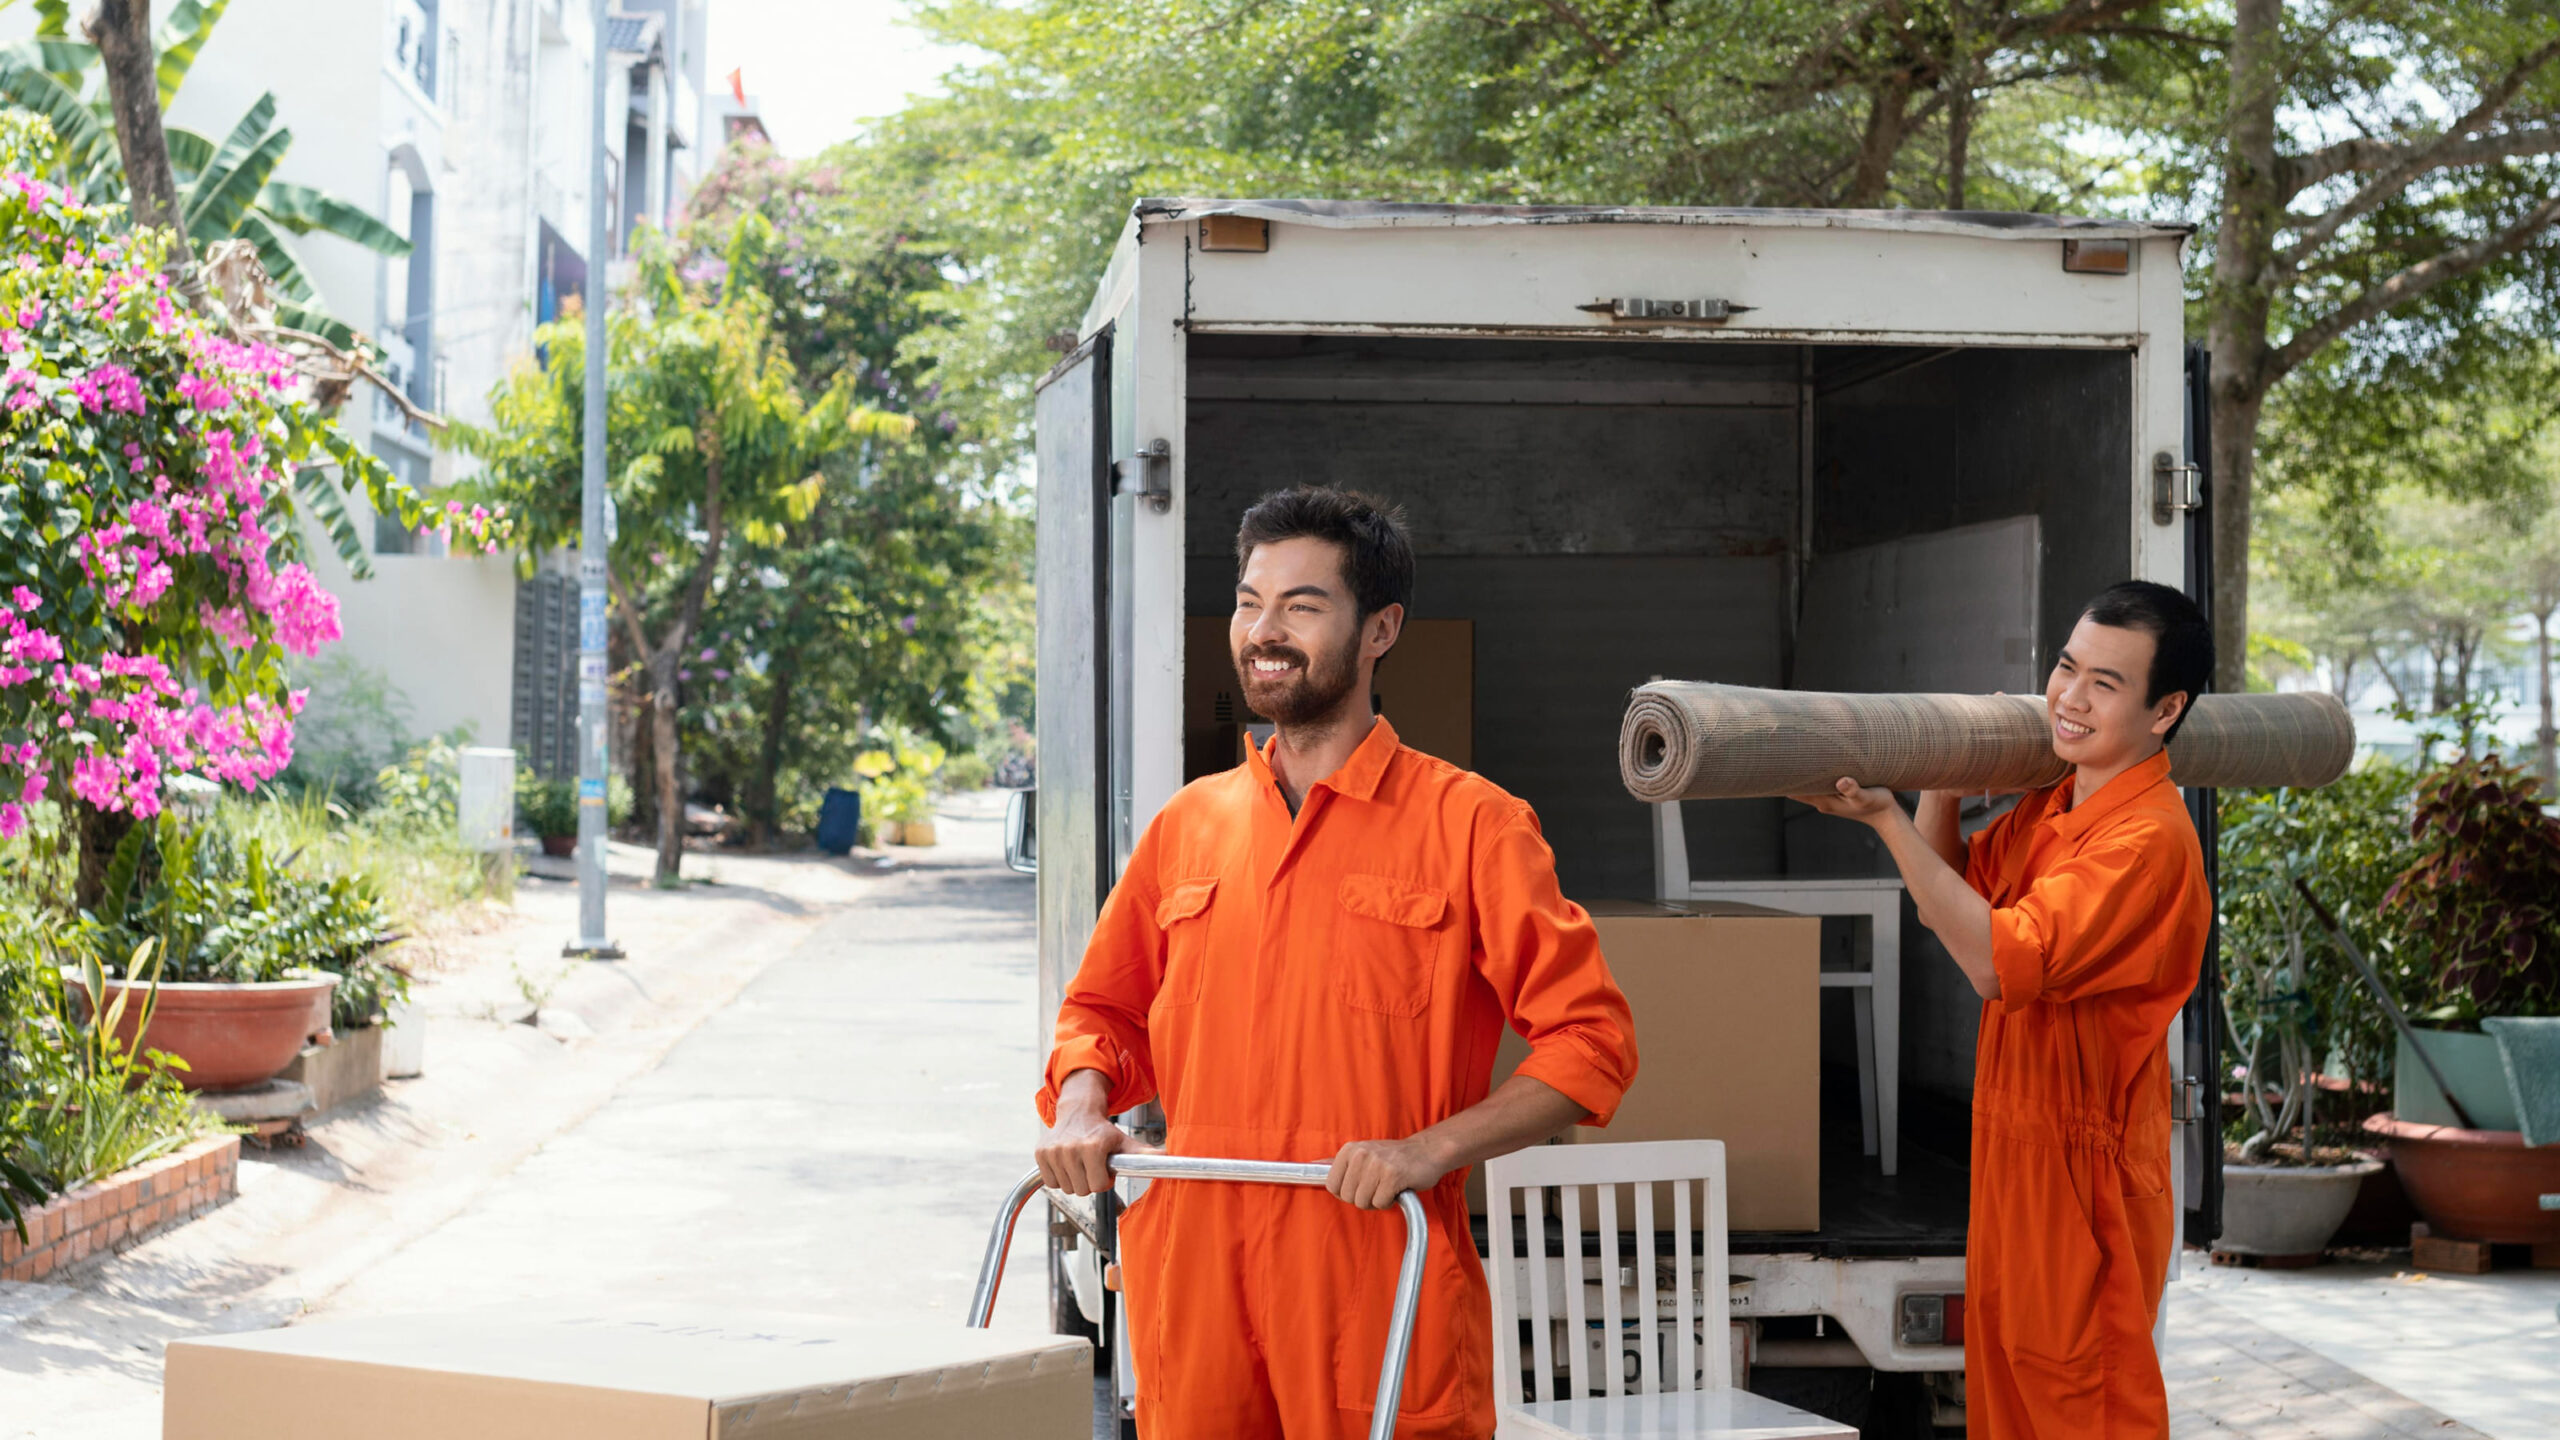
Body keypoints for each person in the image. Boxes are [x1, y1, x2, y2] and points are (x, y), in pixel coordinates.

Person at [1035, 485, 1638, 1440]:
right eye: (1249, 603)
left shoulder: (1473, 826)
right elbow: (1100, 1012)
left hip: (1372, 1272)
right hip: (1197, 1282)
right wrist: (1079, 1105)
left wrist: (1426, 1151)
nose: (1263, 632)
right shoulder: (1189, 826)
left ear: (1380, 630)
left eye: (1302, 606)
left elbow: (1592, 1045)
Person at [1795, 580, 2213, 1439]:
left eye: (2105, 684)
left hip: (2083, 1180)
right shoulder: (2056, 805)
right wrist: (1943, 784)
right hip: (2013, 1159)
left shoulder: (2146, 842)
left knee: (2080, 1405)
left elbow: (1992, 962)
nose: (2070, 698)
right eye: (2066, 667)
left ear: (2166, 710)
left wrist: (1885, 821)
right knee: (2006, 1408)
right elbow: (1953, 900)